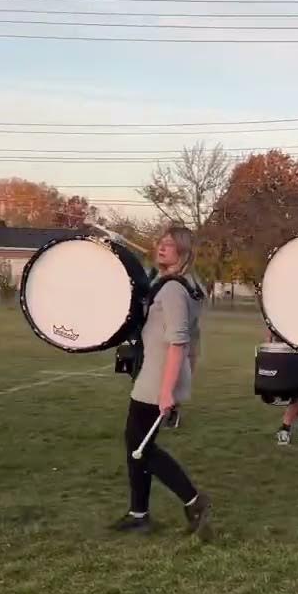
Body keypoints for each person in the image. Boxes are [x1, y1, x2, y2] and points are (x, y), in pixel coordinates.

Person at [113, 225, 212, 536]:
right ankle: (139, 513)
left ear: (183, 252)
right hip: (164, 373)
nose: (162, 247)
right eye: (161, 242)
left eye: (170, 244)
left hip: (158, 377)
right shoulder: (189, 285)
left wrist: (168, 391)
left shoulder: (172, 291)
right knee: (138, 443)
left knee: (140, 446)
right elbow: (194, 342)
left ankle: (193, 500)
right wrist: (185, 378)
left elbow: (179, 342)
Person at [266, 328, 298, 445]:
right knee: (282, 392)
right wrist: (269, 346)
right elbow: (270, 329)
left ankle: (285, 429)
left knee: (293, 391)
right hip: (281, 354)